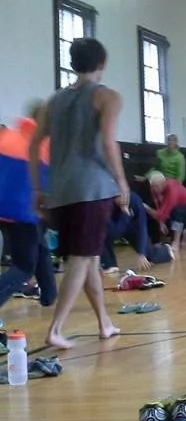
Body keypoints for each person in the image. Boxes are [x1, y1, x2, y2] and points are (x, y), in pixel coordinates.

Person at [29, 38, 126, 349]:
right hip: (92, 188)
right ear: (102, 64)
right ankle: (56, 328)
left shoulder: (52, 102)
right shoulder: (107, 97)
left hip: (60, 190)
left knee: (87, 257)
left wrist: (37, 188)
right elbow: (109, 144)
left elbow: (33, 146)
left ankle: (104, 323)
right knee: (83, 259)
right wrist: (121, 182)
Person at [0, 102, 56, 312]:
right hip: (22, 212)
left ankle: (49, 295)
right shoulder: (44, 145)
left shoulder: (7, 136)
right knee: (23, 267)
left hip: (4, 209)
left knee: (38, 243)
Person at [101, 192, 174, 273]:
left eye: (125, 197)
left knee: (149, 255)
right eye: (120, 197)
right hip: (114, 228)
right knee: (101, 234)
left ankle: (165, 250)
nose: (124, 200)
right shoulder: (104, 203)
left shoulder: (135, 200)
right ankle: (109, 264)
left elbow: (142, 227)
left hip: (132, 228)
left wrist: (142, 253)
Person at [144, 171, 186, 253]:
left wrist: (146, 208)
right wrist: (161, 222)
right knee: (165, 217)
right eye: (152, 187)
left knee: (176, 212)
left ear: (163, 184)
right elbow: (158, 206)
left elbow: (161, 214)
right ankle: (183, 234)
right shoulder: (154, 189)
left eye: (156, 187)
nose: (153, 189)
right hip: (175, 208)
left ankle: (176, 242)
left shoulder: (172, 191)